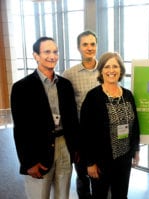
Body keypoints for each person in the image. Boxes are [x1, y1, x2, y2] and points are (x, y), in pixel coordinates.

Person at [10, 37, 80, 199]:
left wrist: (75, 148)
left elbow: (72, 121)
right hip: (38, 150)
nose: (52, 56)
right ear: (36, 56)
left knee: (63, 195)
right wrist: (28, 162)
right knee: (39, 195)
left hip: (64, 147)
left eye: (55, 52)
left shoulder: (65, 85)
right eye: (47, 52)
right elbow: (20, 129)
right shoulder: (22, 88)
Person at [80, 52, 140, 199]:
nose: (111, 70)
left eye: (115, 66)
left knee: (121, 195)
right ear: (101, 70)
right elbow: (85, 132)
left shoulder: (127, 95)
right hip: (100, 161)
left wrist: (135, 150)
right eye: (107, 66)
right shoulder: (93, 97)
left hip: (124, 159)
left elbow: (135, 126)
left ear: (121, 70)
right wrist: (89, 162)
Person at [63, 30, 99, 199]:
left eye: (92, 44)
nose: (89, 48)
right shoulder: (69, 75)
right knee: (83, 175)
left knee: (103, 176)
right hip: (81, 135)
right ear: (79, 48)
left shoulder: (107, 70)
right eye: (85, 44)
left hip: (103, 134)